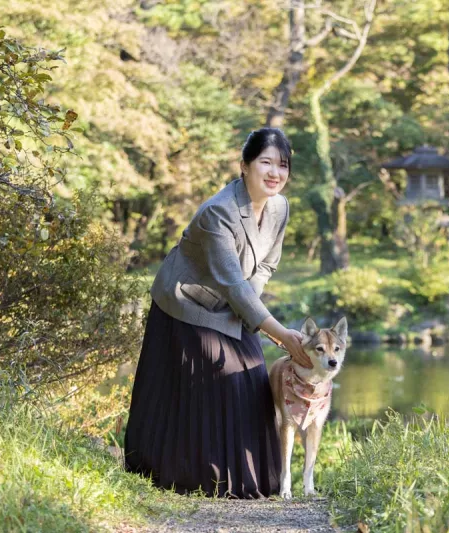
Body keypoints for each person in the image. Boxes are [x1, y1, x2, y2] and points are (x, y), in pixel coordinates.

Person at [123, 128, 312, 499]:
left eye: (283, 165)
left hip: (235, 302)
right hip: (187, 303)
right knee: (224, 373)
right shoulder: (218, 212)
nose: (275, 173)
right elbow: (233, 284)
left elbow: (266, 266)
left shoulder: (279, 208)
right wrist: (280, 334)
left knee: (252, 373)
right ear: (244, 165)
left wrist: (250, 311)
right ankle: (192, 474)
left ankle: (252, 477)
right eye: (266, 162)